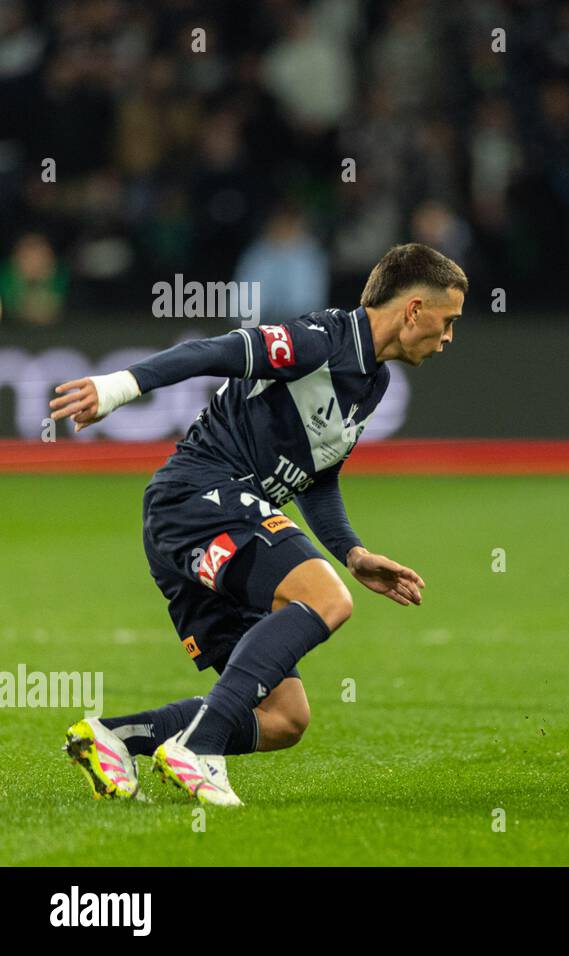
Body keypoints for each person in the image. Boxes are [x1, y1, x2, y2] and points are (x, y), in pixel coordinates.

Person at [50, 243, 466, 806]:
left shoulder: (374, 383)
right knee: (329, 600)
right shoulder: (320, 341)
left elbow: (316, 477)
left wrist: (353, 552)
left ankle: (114, 737)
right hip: (199, 497)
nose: (448, 338)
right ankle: (199, 749)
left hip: (214, 521)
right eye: (448, 322)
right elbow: (213, 350)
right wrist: (121, 386)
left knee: (284, 718)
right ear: (414, 309)